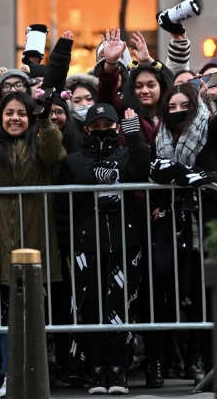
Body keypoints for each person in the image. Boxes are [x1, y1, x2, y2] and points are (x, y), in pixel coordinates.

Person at [149, 54, 217, 385]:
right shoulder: (162, 139)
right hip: (182, 230)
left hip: (214, 225)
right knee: (197, 302)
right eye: (170, 105)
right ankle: (213, 370)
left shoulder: (209, 127)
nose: (176, 109)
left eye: (182, 104)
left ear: (194, 104)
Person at [0, 89, 67, 398]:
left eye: (21, 113)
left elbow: (54, 154)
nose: (15, 118)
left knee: (34, 312)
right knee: (3, 313)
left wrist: (45, 121)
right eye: (9, 113)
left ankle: (34, 374)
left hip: (35, 238)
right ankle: (11, 374)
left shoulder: (40, 144)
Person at [57, 103, 149, 395]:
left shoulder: (125, 155)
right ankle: (96, 369)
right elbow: (62, 206)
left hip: (125, 242)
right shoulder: (72, 162)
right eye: (95, 125)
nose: (101, 130)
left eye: (107, 125)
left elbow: (142, 169)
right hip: (86, 245)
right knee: (92, 308)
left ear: (116, 127)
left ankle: (118, 369)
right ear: (86, 129)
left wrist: (133, 135)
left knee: (122, 307)